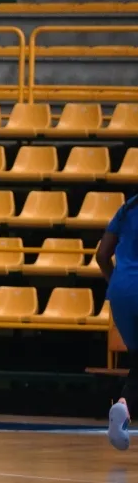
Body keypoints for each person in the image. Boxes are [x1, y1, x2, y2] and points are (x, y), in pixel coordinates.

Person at [97, 193, 138, 452]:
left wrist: (116, 282)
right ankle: (125, 405)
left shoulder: (127, 208)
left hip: (121, 291)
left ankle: (124, 405)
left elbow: (102, 255)